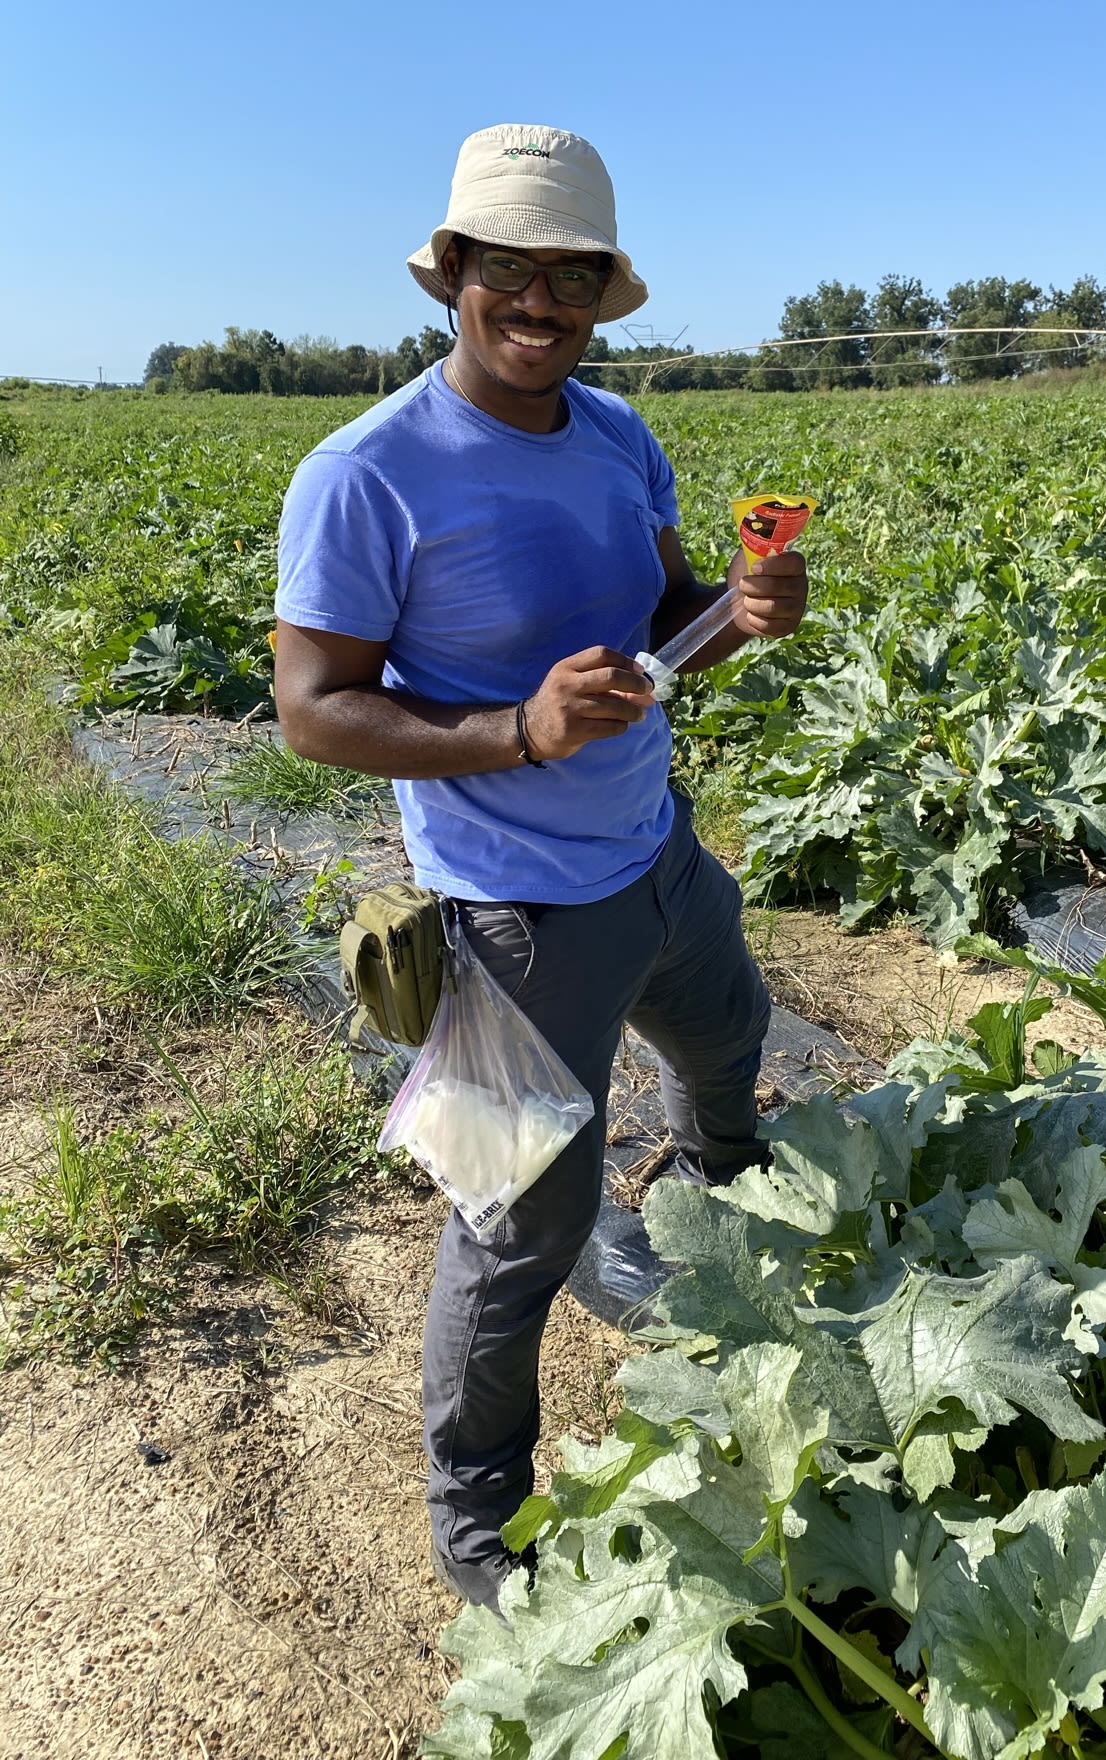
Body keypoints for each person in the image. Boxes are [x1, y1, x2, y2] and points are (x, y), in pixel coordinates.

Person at [272, 124, 808, 1611]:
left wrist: (741, 612)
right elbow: (314, 711)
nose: (541, 301)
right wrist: (516, 727)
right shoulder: (364, 473)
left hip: (655, 853)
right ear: (453, 274)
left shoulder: (622, 434)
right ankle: (474, 1502)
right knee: (519, 1229)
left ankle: (707, 1221)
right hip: (513, 914)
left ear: (598, 292)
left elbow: (672, 615)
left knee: (728, 1038)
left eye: (570, 274)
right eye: (509, 267)